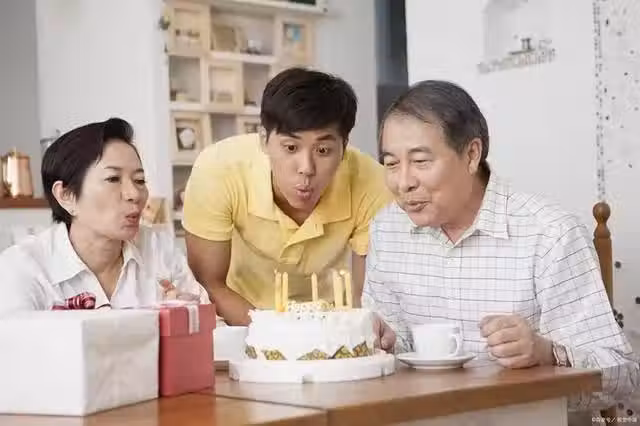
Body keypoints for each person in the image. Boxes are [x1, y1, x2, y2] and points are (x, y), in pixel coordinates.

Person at [362, 80, 639, 410]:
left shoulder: (549, 233)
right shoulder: (387, 229)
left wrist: (546, 353)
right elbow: (395, 346)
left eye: (421, 161)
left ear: (471, 155)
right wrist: (382, 343)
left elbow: (623, 378)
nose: (403, 182)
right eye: (391, 164)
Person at [182, 67, 391, 325]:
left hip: (330, 326)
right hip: (240, 320)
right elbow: (209, 284)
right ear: (264, 140)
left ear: (344, 147)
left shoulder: (373, 182)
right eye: (291, 147)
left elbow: (368, 298)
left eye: (323, 150)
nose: (306, 168)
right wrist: (280, 336)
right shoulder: (218, 169)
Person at [0, 118, 208, 314]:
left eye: (139, 180)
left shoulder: (158, 249)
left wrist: (187, 320)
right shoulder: (22, 268)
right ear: (66, 196)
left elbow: (212, 327)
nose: (134, 194)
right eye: (113, 179)